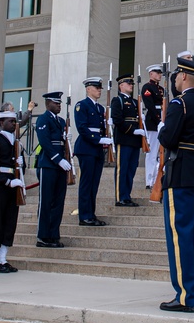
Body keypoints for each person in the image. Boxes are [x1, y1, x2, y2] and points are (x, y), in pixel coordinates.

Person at [158, 57, 194, 313]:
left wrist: (161, 127)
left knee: (179, 236)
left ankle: (185, 296)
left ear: (182, 77)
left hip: (180, 172)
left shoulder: (179, 104)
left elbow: (169, 138)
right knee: (193, 236)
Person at [0, 110, 25, 273]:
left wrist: (21, 163)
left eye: (15, 122)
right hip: (0, 186)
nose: (14, 124)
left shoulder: (17, 143)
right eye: (10, 121)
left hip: (13, 186)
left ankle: (3, 258)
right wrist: (7, 181)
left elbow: (19, 167)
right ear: (1, 123)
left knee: (9, 222)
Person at [74, 77, 113, 226]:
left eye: (100, 88)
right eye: (96, 87)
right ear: (88, 89)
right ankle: (84, 216)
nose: (99, 90)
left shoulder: (100, 108)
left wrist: (107, 130)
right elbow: (82, 128)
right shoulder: (81, 105)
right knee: (86, 183)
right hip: (86, 147)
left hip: (96, 149)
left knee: (94, 183)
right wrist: (98, 139)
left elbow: (101, 128)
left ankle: (91, 213)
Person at [35, 91, 71, 247]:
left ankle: (54, 234)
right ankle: (43, 236)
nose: (59, 105)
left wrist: (68, 148)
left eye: (60, 103)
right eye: (56, 103)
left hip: (61, 164)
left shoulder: (62, 121)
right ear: (47, 103)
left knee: (58, 201)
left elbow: (62, 144)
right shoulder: (43, 119)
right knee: (46, 201)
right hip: (48, 164)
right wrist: (58, 160)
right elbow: (45, 143)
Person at [110, 73, 142, 207]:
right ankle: (120, 197)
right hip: (124, 138)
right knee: (122, 169)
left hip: (135, 140)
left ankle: (127, 195)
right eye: (128, 83)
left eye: (131, 83)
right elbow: (117, 120)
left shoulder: (135, 102)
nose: (131, 85)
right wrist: (132, 130)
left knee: (131, 169)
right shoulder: (118, 100)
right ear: (121, 85)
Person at [141, 64, 165, 188]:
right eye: (157, 72)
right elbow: (150, 105)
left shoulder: (161, 89)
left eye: (160, 72)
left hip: (162, 119)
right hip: (153, 121)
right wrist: (158, 120)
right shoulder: (147, 87)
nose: (159, 75)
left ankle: (158, 178)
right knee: (152, 153)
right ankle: (149, 180)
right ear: (151, 74)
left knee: (161, 152)